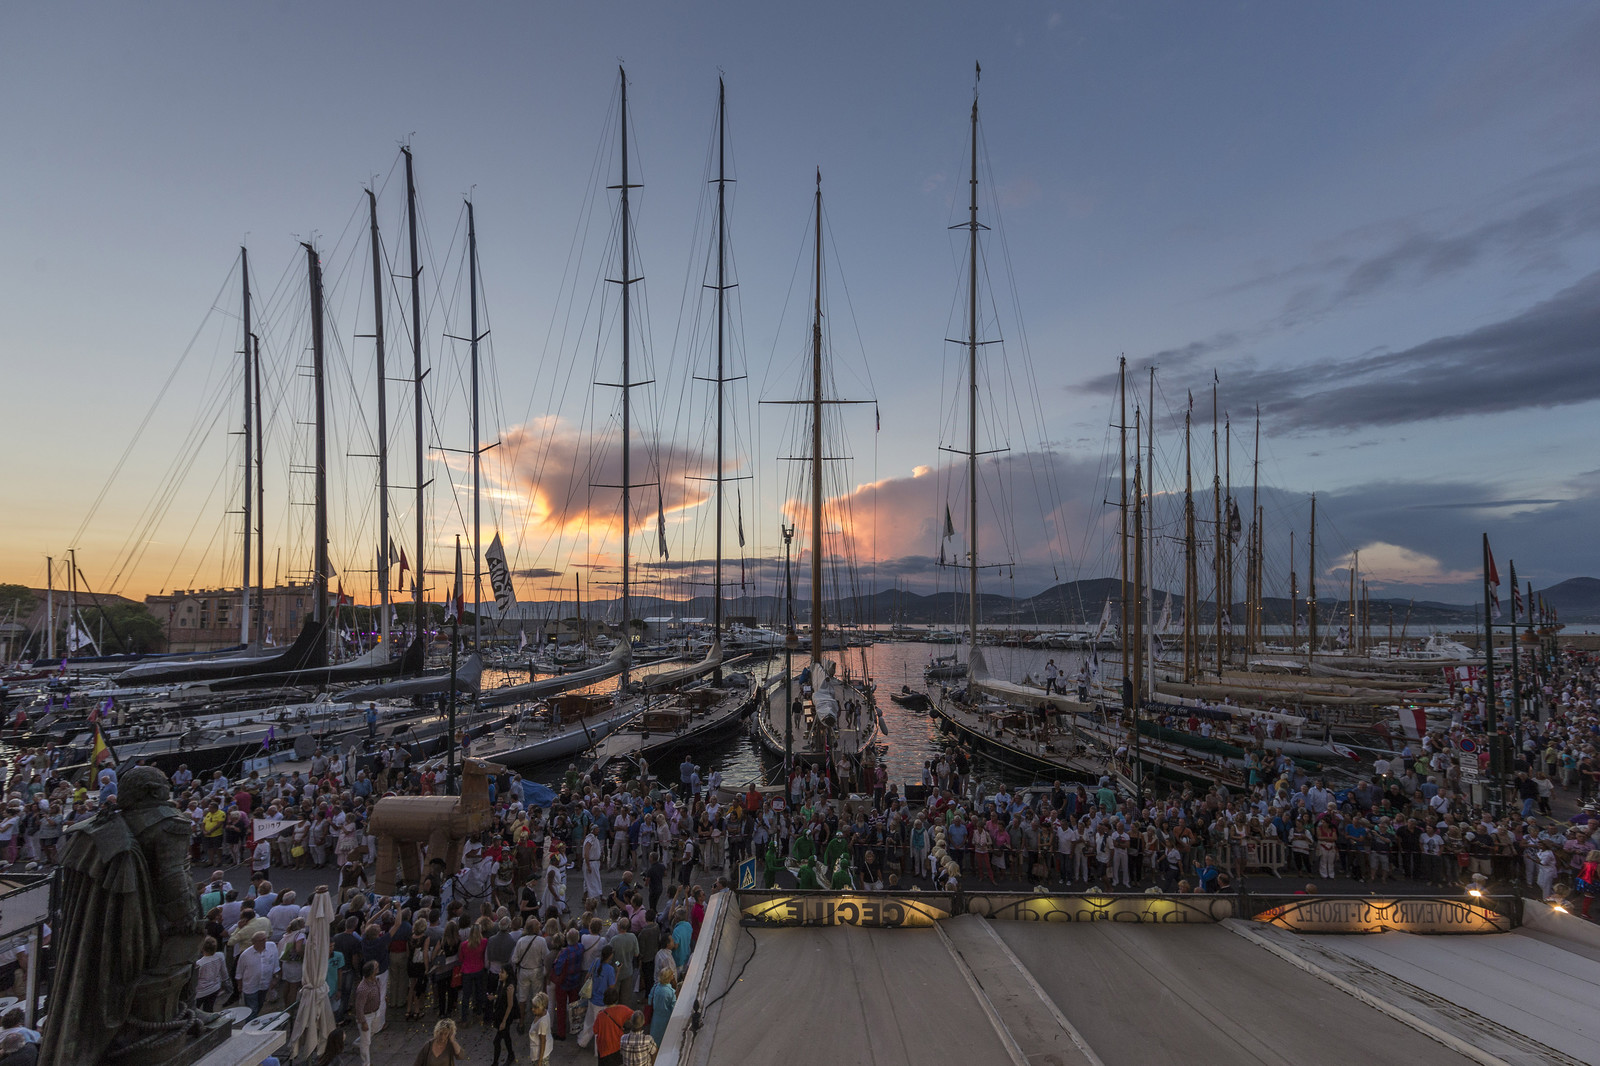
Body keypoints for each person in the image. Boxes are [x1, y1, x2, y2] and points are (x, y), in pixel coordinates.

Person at [235, 930, 279, 1018]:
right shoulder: (245, 955)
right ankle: (250, 1026)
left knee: (259, 1005)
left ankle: (253, 1021)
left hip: (264, 984)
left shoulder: (272, 947)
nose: (265, 941)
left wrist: (275, 978)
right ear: (254, 942)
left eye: (265, 938)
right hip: (250, 986)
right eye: (262, 940)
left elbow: (275, 964)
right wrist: (239, 986)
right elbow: (239, 972)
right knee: (252, 1009)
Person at [488, 968, 520, 1066]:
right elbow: (502, 995)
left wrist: (504, 1021)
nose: (500, 974)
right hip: (500, 1014)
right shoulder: (502, 984)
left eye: (502, 972)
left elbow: (510, 1005)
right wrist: (494, 997)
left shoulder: (510, 987)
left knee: (496, 1041)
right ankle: (511, 1054)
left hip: (506, 1016)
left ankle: (495, 1063)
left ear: (508, 974)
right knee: (506, 1036)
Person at [354, 961, 382, 1066]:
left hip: (375, 1012)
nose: (378, 968)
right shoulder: (363, 989)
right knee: (366, 1043)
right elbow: (359, 1008)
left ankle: (358, 1042)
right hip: (366, 1016)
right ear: (371, 972)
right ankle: (366, 1063)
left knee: (372, 1032)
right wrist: (363, 1022)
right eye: (376, 967)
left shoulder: (376, 980)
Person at [193, 937, 226, 1012]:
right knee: (209, 1009)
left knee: (194, 1011)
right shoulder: (220, 956)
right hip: (215, 988)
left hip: (201, 992)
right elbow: (224, 972)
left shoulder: (199, 963)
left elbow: (195, 980)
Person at [647, 966, 676, 1047]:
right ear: (669, 977)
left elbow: (649, 1001)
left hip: (655, 1018)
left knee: (654, 1042)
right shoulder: (671, 992)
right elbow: (674, 1008)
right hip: (666, 1019)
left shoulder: (655, 987)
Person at [527, 992, 551, 1066]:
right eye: (533, 1006)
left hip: (539, 1055)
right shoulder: (543, 1013)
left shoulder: (542, 1023)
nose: (533, 1009)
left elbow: (543, 1041)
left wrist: (540, 1062)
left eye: (536, 1007)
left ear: (542, 1007)